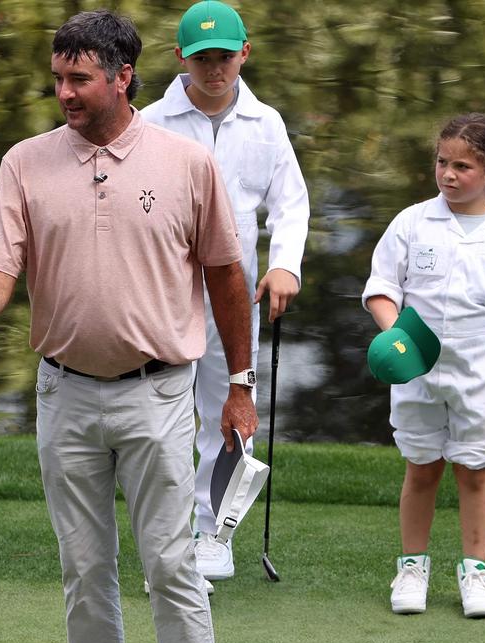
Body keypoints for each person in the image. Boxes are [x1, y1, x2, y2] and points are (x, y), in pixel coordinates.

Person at [0, 11, 256, 643]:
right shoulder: (24, 162)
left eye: (79, 79)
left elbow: (227, 276)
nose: (64, 91)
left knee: (171, 562)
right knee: (84, 568)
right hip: (65, 393)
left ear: (123, 79)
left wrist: (240, 384)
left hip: (156, 393)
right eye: (58, 78)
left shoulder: (186, 164)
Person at [141, 0, 310, 583]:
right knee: (161, 414)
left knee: (229, 410)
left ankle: (213, 531)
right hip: (164, 289)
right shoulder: (150, 124)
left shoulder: (267, 124)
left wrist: (285, 265)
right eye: (202, 59)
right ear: (181, 58)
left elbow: (290, 204)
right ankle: (167, 538)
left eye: (225, 57)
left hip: (236, 296)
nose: (214, 70)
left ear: (246, 51)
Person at [363, 113, 485, 619]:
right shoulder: (413, 221)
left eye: (462, 166)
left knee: (474, 471)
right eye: (442, 162)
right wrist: (394, 335)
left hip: (481, 376)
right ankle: (412, 566)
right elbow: (382, 289)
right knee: (421, 468)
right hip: (417, 371)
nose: (447, 174)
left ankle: (476, 571)